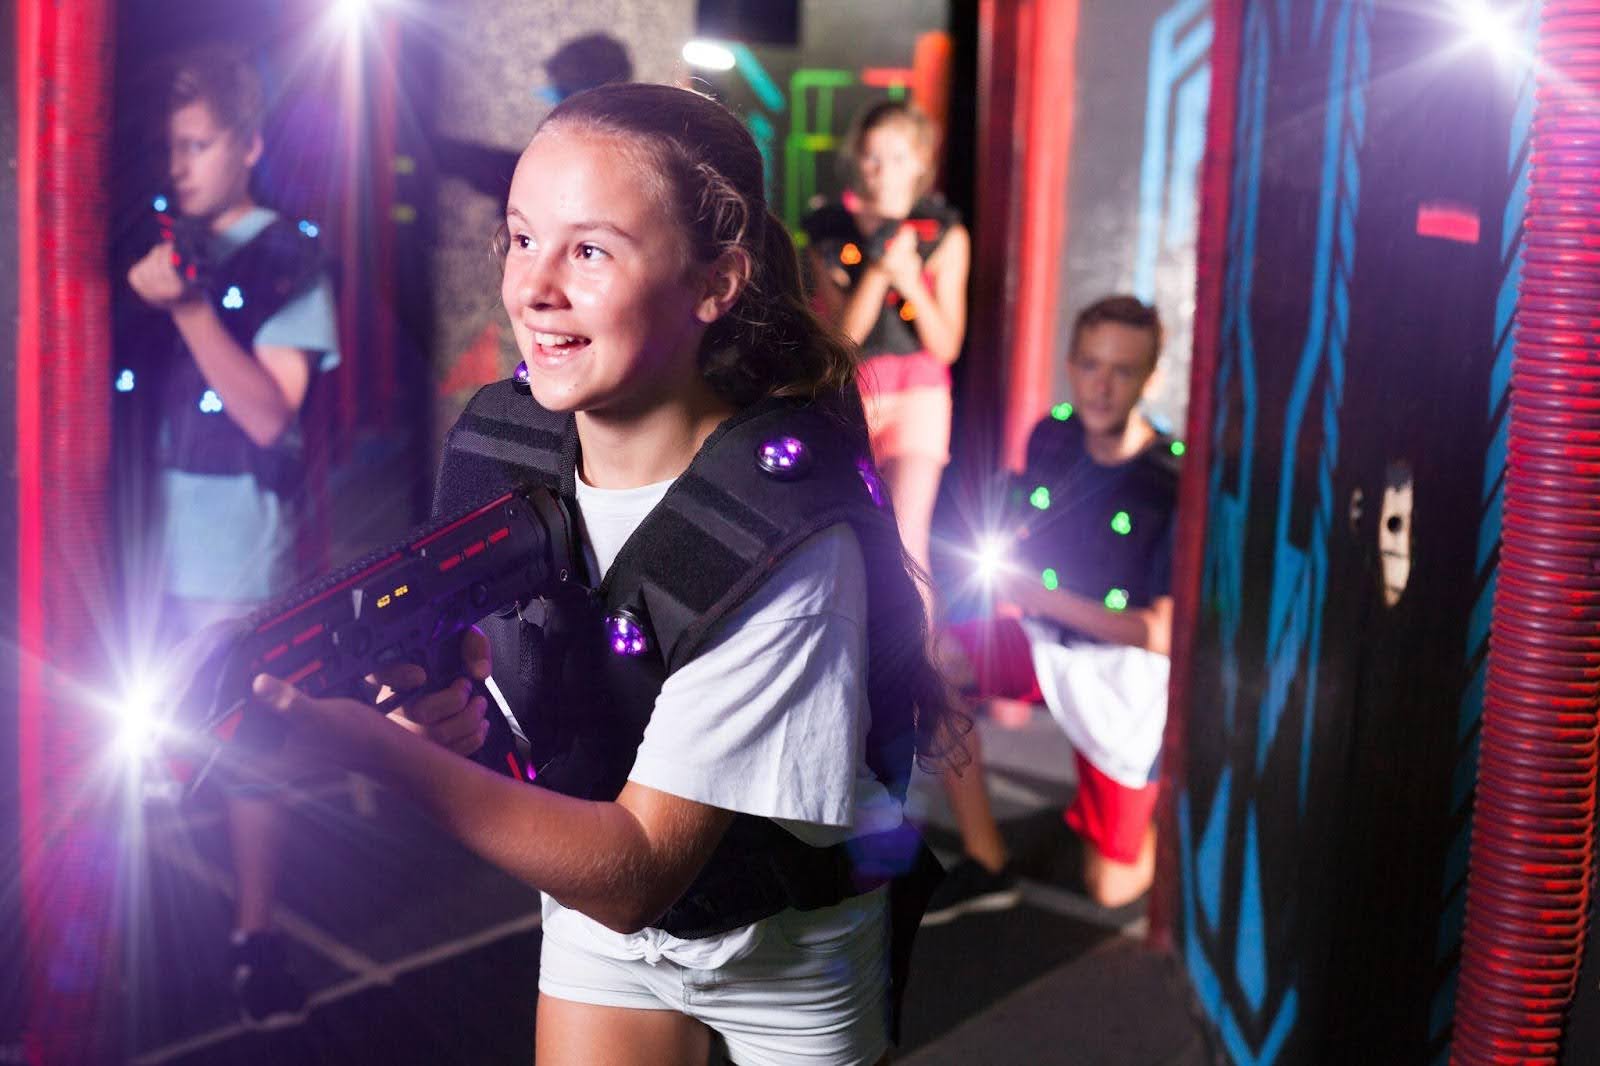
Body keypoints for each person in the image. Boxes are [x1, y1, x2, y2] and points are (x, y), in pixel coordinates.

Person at [247, 83, 960, 1065]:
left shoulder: (783, 534)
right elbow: (536, 716)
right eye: (521, 236)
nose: (532, 287)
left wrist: (366, 747)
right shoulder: (504, 441)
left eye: (589, 251)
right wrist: (449, 715)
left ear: (716, 284)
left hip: (783, 942)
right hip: (599, 912)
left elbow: (639, 869)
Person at [125, 45, 339, 1026]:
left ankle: (258, 938)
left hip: (239, 546)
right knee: (154, 741)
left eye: (199, 144)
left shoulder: (288, 254)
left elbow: (267, 415)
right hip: (155, 540)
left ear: (247, 144)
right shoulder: (173, 250)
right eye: (171, 146)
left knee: (254, 747)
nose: (181, 164)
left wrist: (189, 308)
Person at [924, 296, 1178, 922]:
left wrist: (1043, 596)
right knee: (932, 660)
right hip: (1045, 641)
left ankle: (1166, 819)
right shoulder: (1054, 435)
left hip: (1126, 678)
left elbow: (1162, 632)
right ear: (1070, 364)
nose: (1102, 385)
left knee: (1112, 888)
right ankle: (987, 861)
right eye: (1091, 365)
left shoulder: (1169, 477)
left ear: (1151, 377)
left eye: (1122, 370)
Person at [803, 101, 970, 598]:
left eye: (898, 158)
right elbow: (842, 341)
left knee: (906, 537)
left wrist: (910, 281)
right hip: (855, 394)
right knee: (848, 536)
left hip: (919, 395)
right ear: (858, 160)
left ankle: (922, 666)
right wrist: (877, 270)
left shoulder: (945, 236)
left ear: (921, 160)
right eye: (873, 158)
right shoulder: (830, 236)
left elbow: (946, 345)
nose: (884, 172)